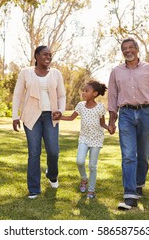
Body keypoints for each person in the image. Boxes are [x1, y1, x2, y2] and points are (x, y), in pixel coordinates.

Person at [107, 37, 149, 210]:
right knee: (128, 155)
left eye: (131, 47)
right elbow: (112, 97)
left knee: (143, 155)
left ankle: (139, 183)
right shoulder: (116, 71)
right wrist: (112, 119)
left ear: (137, 49)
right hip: (125, 114)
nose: (128, 50)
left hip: (146, 112)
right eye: (124, 48)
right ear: (122, 51)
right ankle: (130, 195)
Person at [12, 45, 66, 199]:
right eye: (44, 54)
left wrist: (60, 111)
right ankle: (34, 189)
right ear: (36, 56)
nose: (48, 57)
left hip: (51, 116)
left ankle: (52, 174)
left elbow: (62, 95)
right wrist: (15, 116)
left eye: (50, 54)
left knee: (53, 151)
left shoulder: (56, 74)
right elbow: (17, 95)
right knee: (34, 153)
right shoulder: (26, 72)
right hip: (31, 116)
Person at [60, 80, 109, 199]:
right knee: (79, 161)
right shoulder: (80, 105)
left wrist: (110, 128)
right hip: (84, 138)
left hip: (97, 140)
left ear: (95, 93)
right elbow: (71, 118)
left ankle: (91, 190)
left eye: (87, 91)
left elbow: (102, 123)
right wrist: (59, 117)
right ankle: (83, 178)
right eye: (83, 90)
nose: (83, 93)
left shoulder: (100, 107)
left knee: (93, 165)